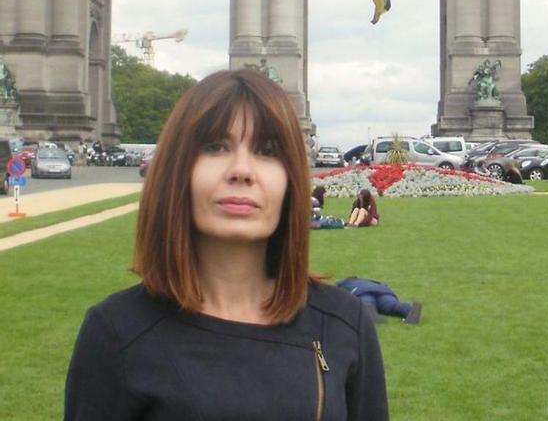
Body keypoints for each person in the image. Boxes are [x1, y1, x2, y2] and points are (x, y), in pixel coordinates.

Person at [64, 70, 388, 420]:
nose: (242, 171)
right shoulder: (115, 332)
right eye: (216, 147)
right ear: (178, 170)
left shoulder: (345, 323)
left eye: (267, 150)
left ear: (291, 180)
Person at [336, 277, 422, 325]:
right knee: (391, 305)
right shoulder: (373, 282)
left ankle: (371, 313)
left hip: (361, 291)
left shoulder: (344, 284)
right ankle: (409, 309)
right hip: (384, 291)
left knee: (366, 301)